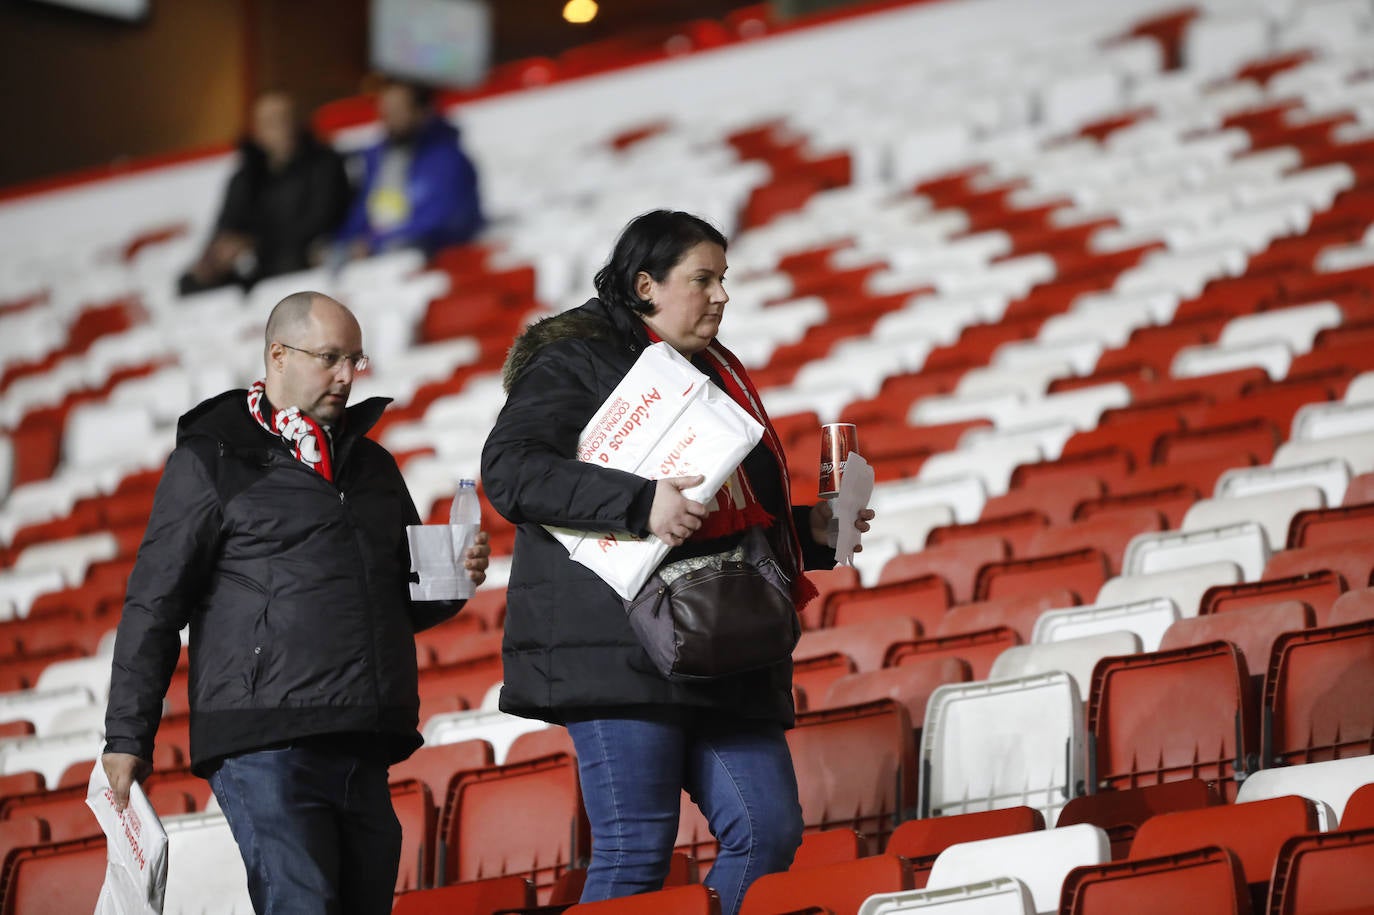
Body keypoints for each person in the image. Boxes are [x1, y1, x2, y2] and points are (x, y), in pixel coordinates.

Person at [480, 210, 874, 914]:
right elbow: (510, 472)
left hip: (723, 644)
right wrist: (638, 502)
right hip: (617, 648)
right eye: (704, 279)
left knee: (768, 830)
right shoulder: (574, 358)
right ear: (645, 286)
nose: (722, 295)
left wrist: (811, 532)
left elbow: (729, 508)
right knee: (636, 851)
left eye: (724, 279)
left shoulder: (715, 370)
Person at [101, 291, 491, 915]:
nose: (346, 375)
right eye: (330, 357)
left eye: (355, 360)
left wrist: (453, 579)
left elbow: (397, 604)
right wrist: (127, 735)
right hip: (265, 742)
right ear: (278, 355)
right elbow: (153, 602)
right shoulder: (211, 459)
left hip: (363, 733)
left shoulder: (374, 465)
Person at [180, 91, 351, 294]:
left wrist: (255, 243)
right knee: (193, 281)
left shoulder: (324, 164)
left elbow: (322, 220)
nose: (281, 128)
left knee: (289, 261)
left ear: (298, 122)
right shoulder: (245, 177)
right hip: (253, 264)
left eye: (286, 119)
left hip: (299, 255)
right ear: (257, 131)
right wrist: (217, 256)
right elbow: (225, 227)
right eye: (271, 122)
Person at [336, 79, 484, 259]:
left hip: (432, 259)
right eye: (386, 112)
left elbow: (444, 221)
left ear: (422, 111)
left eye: (398, 111)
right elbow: (362, 213)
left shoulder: (448, 160)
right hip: (379, 260)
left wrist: (376, 244)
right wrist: (341, 244)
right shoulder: (379, 160)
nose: (390, 120)